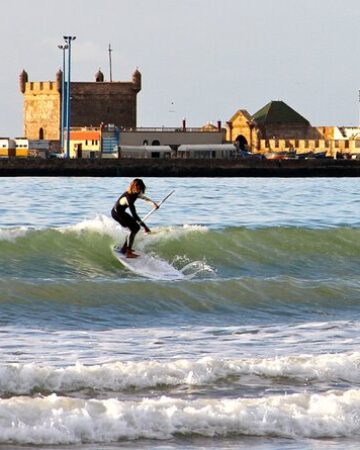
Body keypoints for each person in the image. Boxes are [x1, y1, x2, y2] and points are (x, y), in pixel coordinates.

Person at [111, 178, 159, 258]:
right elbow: (134, 215)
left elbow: (144, 198)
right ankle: (128, 252)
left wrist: (153, 204)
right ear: (134, 187)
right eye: (139, 189)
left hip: (121, 212)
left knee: (134, 227)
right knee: (134, 228)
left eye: (141, 189)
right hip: (116, 214)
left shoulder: (135, 193)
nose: (140, 191)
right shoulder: (128, 198)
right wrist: (145, 227)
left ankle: (124, 248)